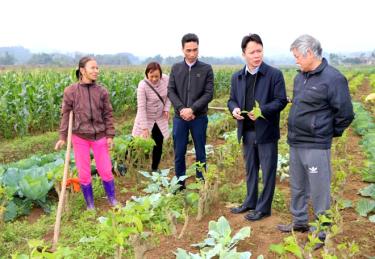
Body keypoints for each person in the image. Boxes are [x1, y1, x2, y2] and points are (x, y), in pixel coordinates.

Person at [277, 35, 354, 243]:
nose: (296, 61)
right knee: (298, 185)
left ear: (309, 53)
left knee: (319, 189)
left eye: (297, 56)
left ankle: (322, 231)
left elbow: (346, 113)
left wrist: (328, 132)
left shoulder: (333, 78)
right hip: (296, 142)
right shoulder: (300, 77)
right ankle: (299, 221)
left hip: (316, 145)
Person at [227, 34, 287, 221]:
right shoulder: (237, 77)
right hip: (246, 130)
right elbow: (231, 100)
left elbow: (281, 101)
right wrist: (234, 109)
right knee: (250, 169)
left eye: (259, 51)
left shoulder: (274, 74)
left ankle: (264, 208)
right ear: (244, 54)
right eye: (252, 52)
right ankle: (250, 202)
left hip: (266, 131)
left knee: (268, 171)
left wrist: (262, 111)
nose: (256, 55)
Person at [55, 56, 118, 210]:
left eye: (97, 68)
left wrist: (109, 135)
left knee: (105, 170)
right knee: (84, 173)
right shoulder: (71, 91)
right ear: (82, 70)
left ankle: (112, 200)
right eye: (93, 68)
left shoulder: (101, 91)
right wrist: (63, 137)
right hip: (80, 137)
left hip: (99, 135)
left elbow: (108, 114)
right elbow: (65, 115)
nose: (96, 71)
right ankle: (90, 204)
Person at [168, 33, 214, 189]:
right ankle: (180, 185)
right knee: (179, 152)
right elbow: (171, 91)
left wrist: (193, 109)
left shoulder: (206, 69)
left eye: (195, 50)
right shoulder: (176, 68)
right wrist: (182, 109)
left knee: (200, 152)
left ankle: (201, 185)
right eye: (188, 50)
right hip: (180, 118)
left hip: (199, 117)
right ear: (182, 50)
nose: (192, 53)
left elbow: (209, 93)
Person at [132, 62, 171, 172]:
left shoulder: (166, 80)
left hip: (159, 117)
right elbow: (141, 107)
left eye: (156, 76)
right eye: (151, 76)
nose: (154, 79)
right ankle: (128, 162)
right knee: (136, 141)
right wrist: (144, 128)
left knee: (158, 142)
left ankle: (154, 168)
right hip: (146, 117)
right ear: (147, 75)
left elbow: (170, 95)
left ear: (161, 74)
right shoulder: (142, 85)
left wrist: (166, 108)